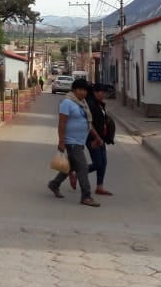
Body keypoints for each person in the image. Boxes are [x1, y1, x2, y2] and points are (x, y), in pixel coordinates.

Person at [47, 78, 104, 207]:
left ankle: (54, 184)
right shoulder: (67, 103)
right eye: (80, 89)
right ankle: (86, 196)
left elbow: (88, 124)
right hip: (71, 141)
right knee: (83, 167)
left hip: (80, 141)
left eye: (85, 90)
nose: (83, 92)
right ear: (74, 90)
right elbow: (62, 124)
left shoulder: (82, 103)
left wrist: (97, 137)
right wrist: (61, 141)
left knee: (71, 166)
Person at [85, 83, 115, 196]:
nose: (103, 95)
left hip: (101, 138)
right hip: (92, 138)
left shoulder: (99, 104)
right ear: (95, 92)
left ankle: (99, 186)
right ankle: (77, 171)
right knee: (97, 163)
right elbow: (89, 124)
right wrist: (96, 138)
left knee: (103, 163)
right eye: (102, 93)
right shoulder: (91, 104)